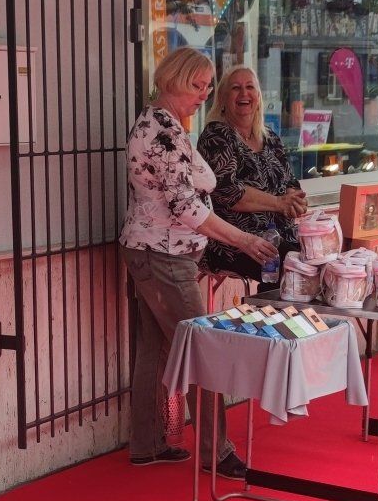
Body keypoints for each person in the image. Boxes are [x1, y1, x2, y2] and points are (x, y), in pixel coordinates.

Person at [121, 48, 278, 473]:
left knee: (156, 349)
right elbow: (186, 206)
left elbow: (192, 193)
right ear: (174, 79)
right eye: (198, 85)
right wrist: (244, 240)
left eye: (208, 86)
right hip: (164, 255)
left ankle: (147, 443)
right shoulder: (163, 130)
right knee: (202, 350)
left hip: (157, 252)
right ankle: (216, 451)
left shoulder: (167, 123)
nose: (204, 94)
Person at [197, 65, 308, 280]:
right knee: (294, 271)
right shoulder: (216, 135)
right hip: (236, 242)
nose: (244, 94)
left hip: (281, 235)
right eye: (235, 88)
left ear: (258, 96)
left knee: (318, 263)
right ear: (223, 98)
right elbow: (228, 192)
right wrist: (279, 203)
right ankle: (269, 303)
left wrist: (295, 201)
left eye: (250, 87)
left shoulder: (271, 138)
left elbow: (291, 182)